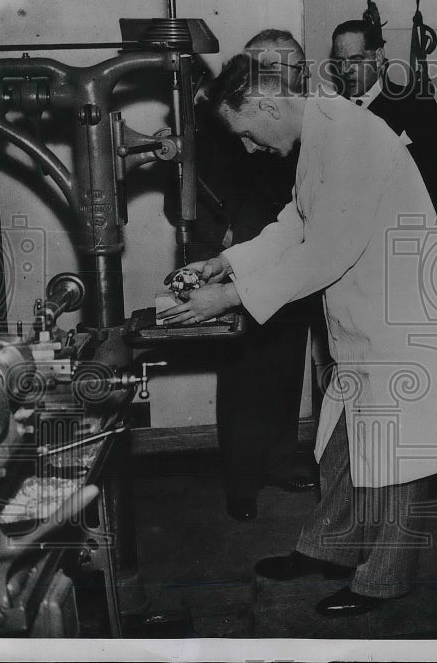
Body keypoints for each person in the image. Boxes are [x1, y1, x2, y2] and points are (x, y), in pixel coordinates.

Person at [158, 52, 437, 617]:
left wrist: (228, 298)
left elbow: (327, 252)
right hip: (365, 324)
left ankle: (385, 579)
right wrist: (228, 263)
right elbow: (299, 220)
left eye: (249, 135)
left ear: (265, 104)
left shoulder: (351, 137)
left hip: (402, 325)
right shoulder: (324, 131)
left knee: (399, 462)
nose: (250, 149)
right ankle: (332, 548)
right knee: (341, 445)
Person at [189, 29, 318, 523]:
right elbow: (189, 188)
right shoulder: (222, 118)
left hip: (284, 249)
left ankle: (281, 460)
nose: (300, 79)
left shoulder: (299, 120)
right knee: (242, 372)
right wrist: (223, 241)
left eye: (302, 70)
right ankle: (241, 480)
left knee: (285, 364)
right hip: (239, 250)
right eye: (291, 71)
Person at [330, 18, 437, 212]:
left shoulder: (417, 107)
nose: (345, 70)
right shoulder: (330, 113)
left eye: (355, 60)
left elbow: (433, 191)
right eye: (340, 61)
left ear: (377, 57)